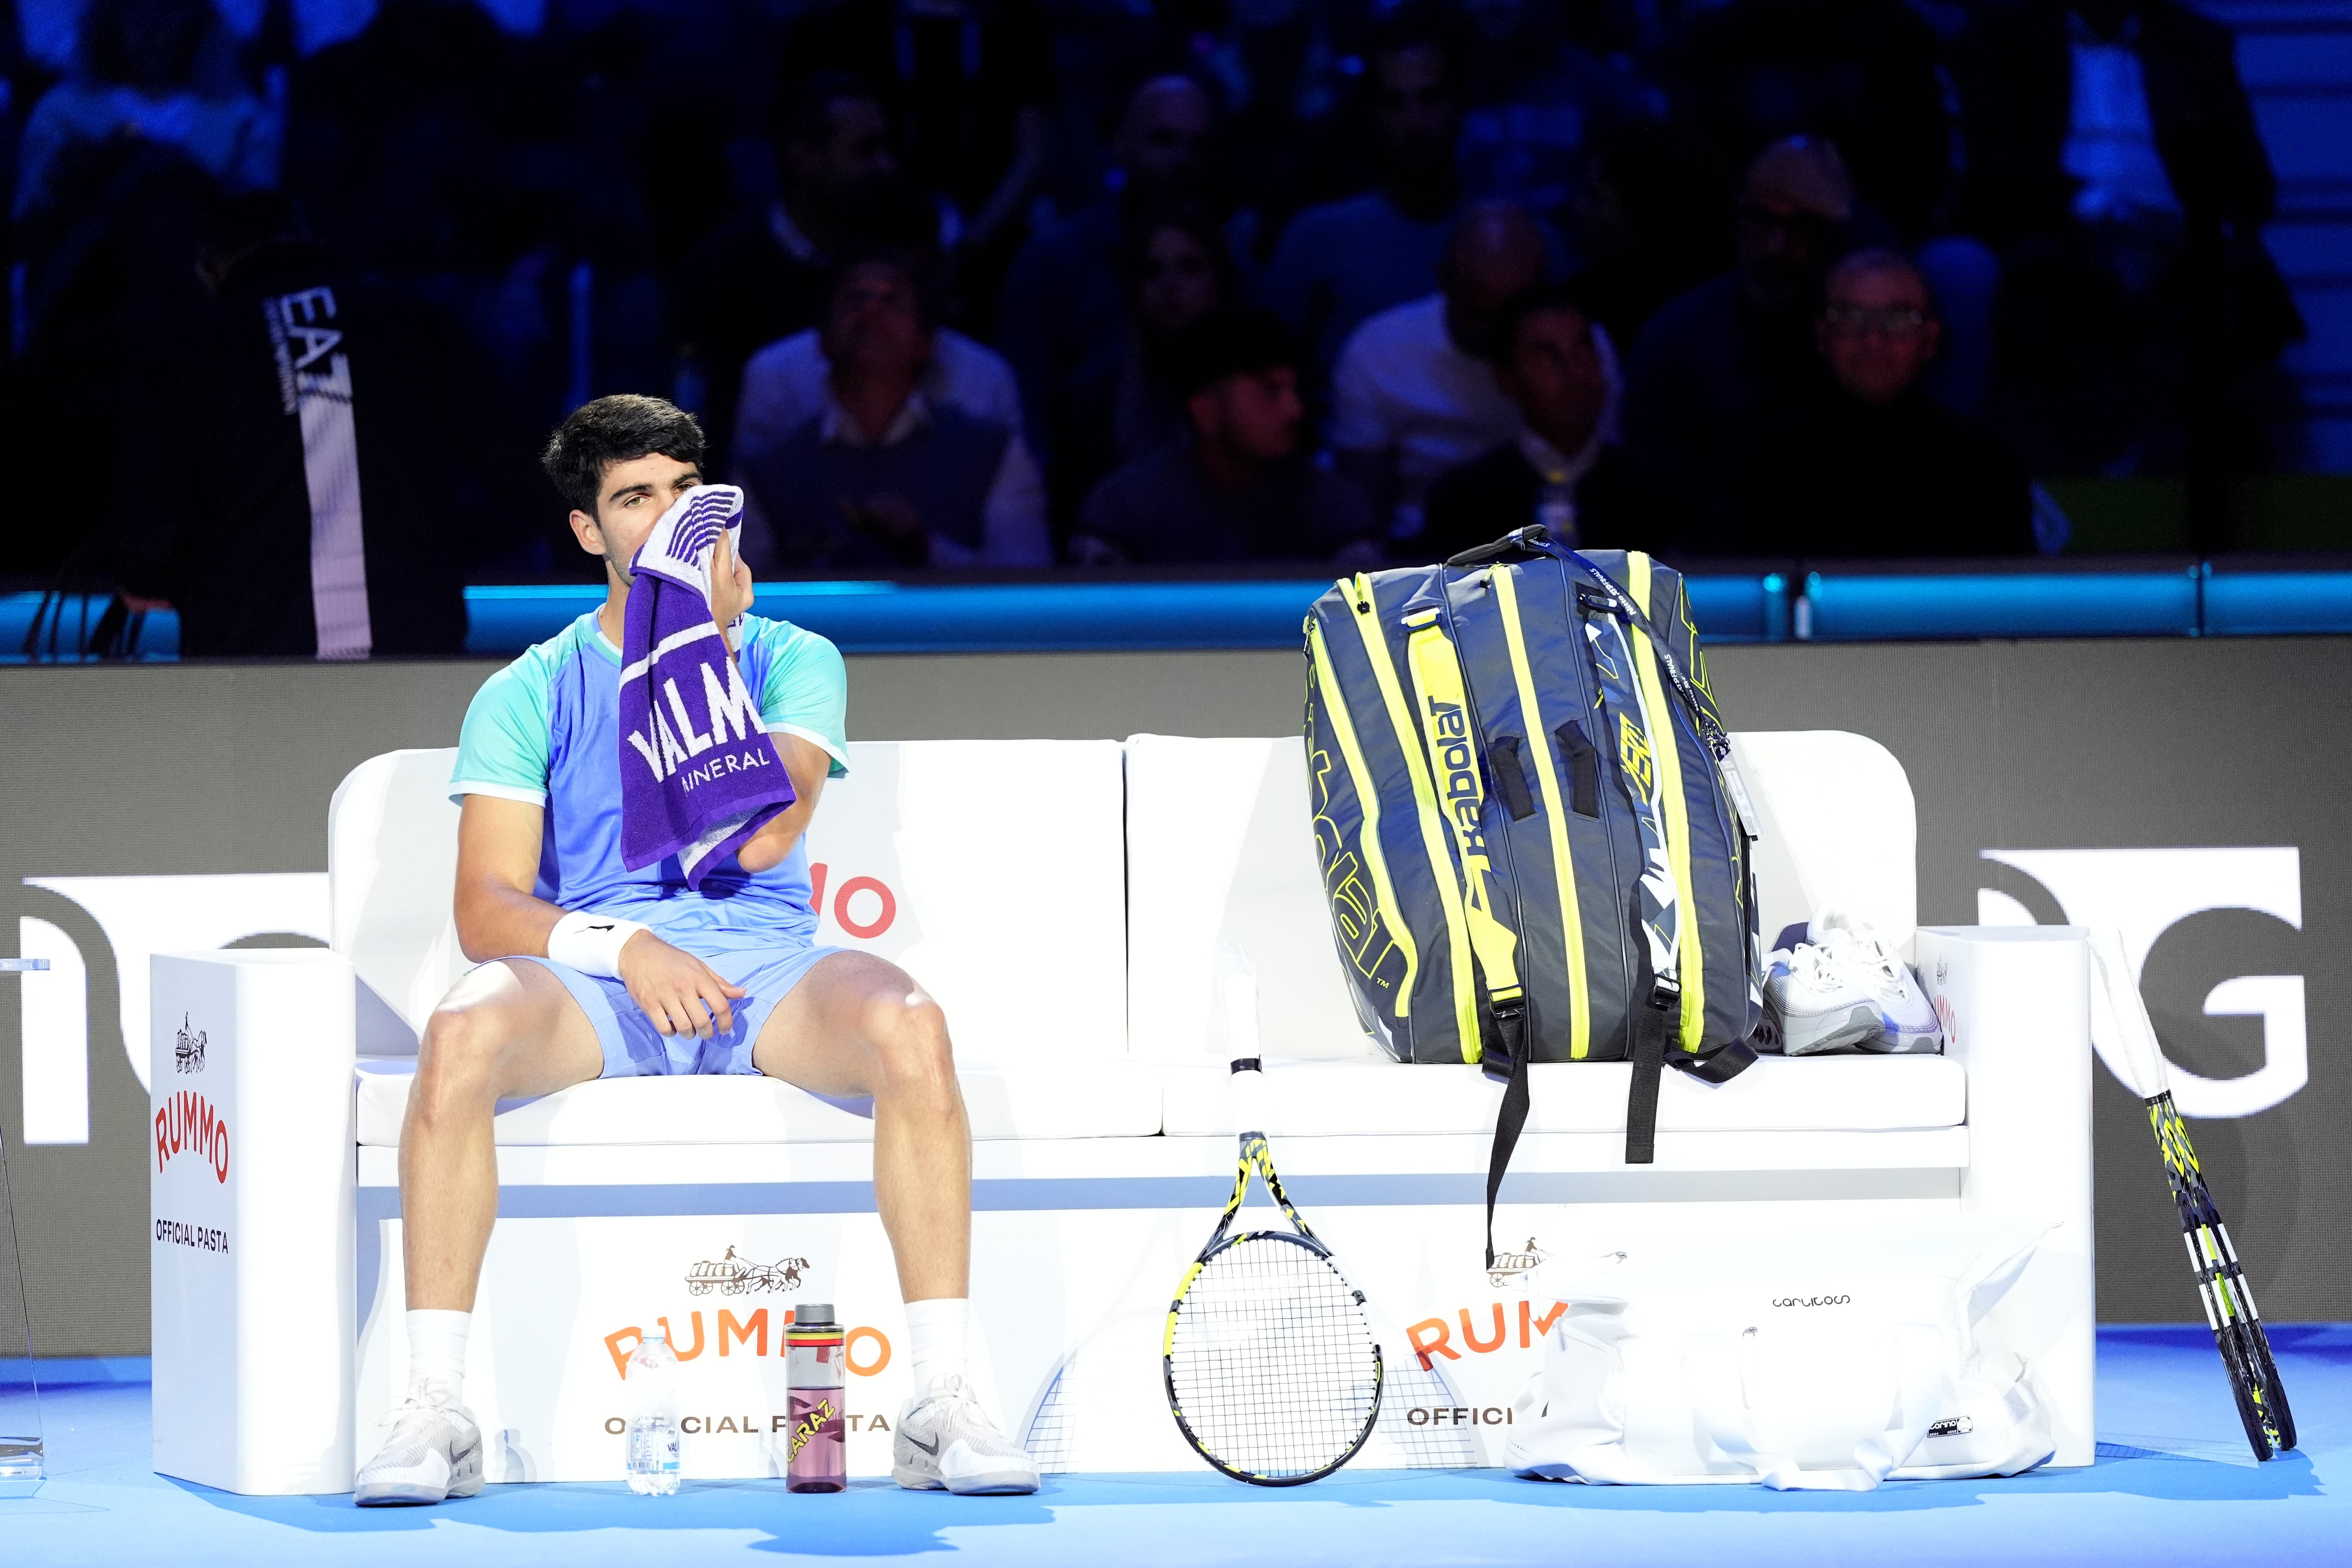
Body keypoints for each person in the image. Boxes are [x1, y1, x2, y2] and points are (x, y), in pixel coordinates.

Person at [350, 393, 1041, 1504]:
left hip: (767, 967)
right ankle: (434, 1409)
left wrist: (705, 647)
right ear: (589, 532)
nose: (669, 520)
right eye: (635, 500)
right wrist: (624, 950)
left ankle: (942, 1400)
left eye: (685, 494)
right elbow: (487, 908)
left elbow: (768, 827)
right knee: (459, 1037)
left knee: (912, 1027)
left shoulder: (790, 656)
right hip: (596, 979)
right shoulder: (526, 691)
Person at [111, 195, 550, 656]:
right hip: (412, 661)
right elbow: (529, 469)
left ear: (208, 269)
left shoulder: (188, 354)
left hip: (247, 675)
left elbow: (145, 561)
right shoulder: (414, 325)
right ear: (312, 239)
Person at [743, 252, 1049, 571]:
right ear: (822, 341)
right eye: (855, 297)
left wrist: (925, 548)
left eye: (892, 300)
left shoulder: (994, 455)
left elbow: (1030, 589)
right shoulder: (766, 472)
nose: (871, 309)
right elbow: (736, 602)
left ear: (925, 344)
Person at [994, 77, 1221, 502]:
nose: (1182, 159)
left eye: (1199, 146)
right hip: (1077, 500)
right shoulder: (1053, 261)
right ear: (1121, 144)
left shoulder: (1235, 265)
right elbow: (1024, 410)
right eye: (1165, 140)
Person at [1620, 136, 1852, 549]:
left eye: (1800, 228)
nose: (1776, 246)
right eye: (1762, 221)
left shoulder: (1866, 339)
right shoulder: (1677, 339)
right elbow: (1653, 501)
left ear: (1834, 235)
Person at [672, 73, 904, 476]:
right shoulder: (721, 269)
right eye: (866, 151)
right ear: (804, 157)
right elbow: (696, 412)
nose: (887, 166)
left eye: (886, 148)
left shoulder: (898, 260)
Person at [1732, 249, 2035, 556]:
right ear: (1823, 336)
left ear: (1930, 340)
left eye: (1898, 319)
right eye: (1851, 317)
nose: (1873, 339)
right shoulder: (1762, 461)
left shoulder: (1988, 469)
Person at [1073, 310, 1379, 566]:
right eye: (1270, 391)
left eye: (1294, 391)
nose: (1295, 410)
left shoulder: (1338, 507)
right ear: (1205, 410)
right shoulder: (1122, 509)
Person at [1329, 202, 1552, 545]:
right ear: (1445, 281)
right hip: (1414, 558)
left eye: (1515, 312)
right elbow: (1362, 512)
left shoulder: (1575, 350)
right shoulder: (1378, 350)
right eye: (1485, 316)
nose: (1501, 332)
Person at [1264, 12, 1468, 372]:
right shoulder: (1316, 239)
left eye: (1430, 98)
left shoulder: (1517, 237)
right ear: (1373, 113)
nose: (1414, 122)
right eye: (1395, 103)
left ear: (1459, 104)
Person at [1418, 282, 1636, 561]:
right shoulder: (1465, 501)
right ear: (1507, 379)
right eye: (1548, 358)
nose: (1573, 373)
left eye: (1582, 353)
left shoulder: (1658, 494)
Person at [16, 0, 279, 222]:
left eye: (167, 11)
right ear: (108, 18)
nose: (152, 29)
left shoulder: (241, 116)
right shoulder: (63, 112)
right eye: (137, 12)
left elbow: (260, 219)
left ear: (197, 19)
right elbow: (30, 213)